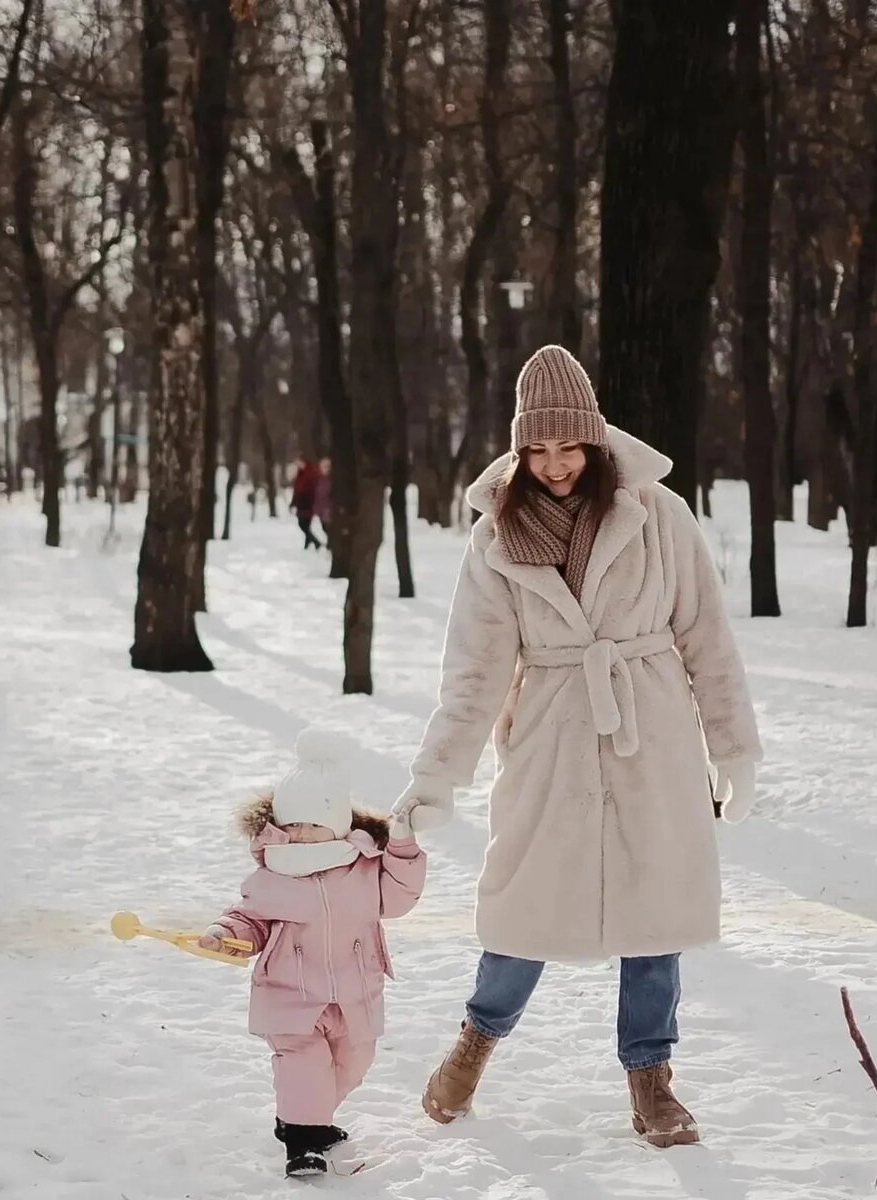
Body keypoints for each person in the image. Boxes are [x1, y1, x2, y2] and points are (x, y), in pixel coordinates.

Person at [391, 344, 762, 1148]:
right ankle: (476, 1041)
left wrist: (734, 750)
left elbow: (708, 638)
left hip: (651, 727)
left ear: (594, 440)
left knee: (654, 913)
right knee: (523, 905)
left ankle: (651, 1080)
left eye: (569, 447)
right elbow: (474, 671)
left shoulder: (659, 513)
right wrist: (436, 776)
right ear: (519, 450)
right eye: (539, 449)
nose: (556, 465)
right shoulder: (496, 535)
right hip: (552, 732)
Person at [200, 731, 426, 1177]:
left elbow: (399, 899)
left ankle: (306, 1118)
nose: (300, 833)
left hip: (354, 989)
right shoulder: (274, 873)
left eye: (313, 821)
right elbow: (250, 919)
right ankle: (302, 1142)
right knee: (304, 1062)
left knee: (353, 1061)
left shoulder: (365, 867)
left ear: (340, 823)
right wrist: (227, 934)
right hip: (291, 992)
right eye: (292, 823)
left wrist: (402, 850)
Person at [290, 456, 322, 550]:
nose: (298, 465)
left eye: (299, 463)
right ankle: (309, 543)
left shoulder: (310, 473)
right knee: (303, 524)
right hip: (301, 503)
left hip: (308, 503)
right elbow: (296, 491)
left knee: (304, 524)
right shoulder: (299, 475)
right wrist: (293, 503)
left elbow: (312, 489)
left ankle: (316, 542)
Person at [313, 457, 333, 547]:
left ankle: (332, 544)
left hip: (329, 508)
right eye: (323, 467)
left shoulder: (332, 480)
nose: (325, 469)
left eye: (327, 467)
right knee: (324, 527)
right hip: (321, 507)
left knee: (329, 527)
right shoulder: (319, 479)